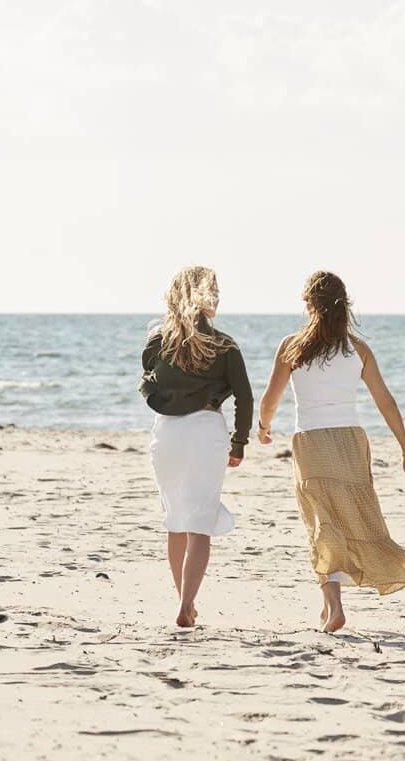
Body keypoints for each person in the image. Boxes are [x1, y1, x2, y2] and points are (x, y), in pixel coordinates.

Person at [257, 270, 405, 633]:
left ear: (308, 304)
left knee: (321, 520)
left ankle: (333, 605)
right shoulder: (357, 349)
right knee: (353, 515)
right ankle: (332, 602)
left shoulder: (292, 346)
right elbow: (385, 401)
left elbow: (271, 399)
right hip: (350, 441)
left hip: (311, 442)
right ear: (344, 305)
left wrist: (263, 428)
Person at [140, 265, 252, 628]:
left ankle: (183, 601)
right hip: (206, 431)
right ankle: (188, 602)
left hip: (168, 434)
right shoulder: (225, 344)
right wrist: (240, 441)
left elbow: (149, 387)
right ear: (211, 297)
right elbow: (245, 397)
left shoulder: (158, 341)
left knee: (176, 520)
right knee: (200, 522)